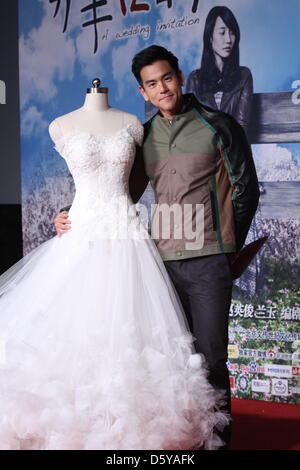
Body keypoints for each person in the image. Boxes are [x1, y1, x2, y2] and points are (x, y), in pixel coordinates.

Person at [0, 78, 228, 450]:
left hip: (127, 236)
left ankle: (125, 429)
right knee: (76, 331)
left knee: (132, 331)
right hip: (82, 234)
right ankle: (73, 424)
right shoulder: (60, 124)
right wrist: (64, 212)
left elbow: (137, 181)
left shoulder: (132, 125)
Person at [55, 45, 260, 449]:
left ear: (180, 77)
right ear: (143, 92)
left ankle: (219, 441)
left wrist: (225, 246)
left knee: (213, 358)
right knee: (174, 363)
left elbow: (246, 190)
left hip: (207, 263)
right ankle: (186, 440)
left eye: (167, 78)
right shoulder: (144, 136)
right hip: (160, 263)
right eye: (152, 84)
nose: (162, 88)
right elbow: (120, 192)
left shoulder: (218, 125)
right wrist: (68, 212)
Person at [186, 6, 253, 134]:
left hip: (233, 151)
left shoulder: (244, 76)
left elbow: (242, 127)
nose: (228, 39)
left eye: (232, 32)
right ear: (210, 37)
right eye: (222, 32)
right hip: (202, 151)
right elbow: (191, 126)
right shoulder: (194, 79)